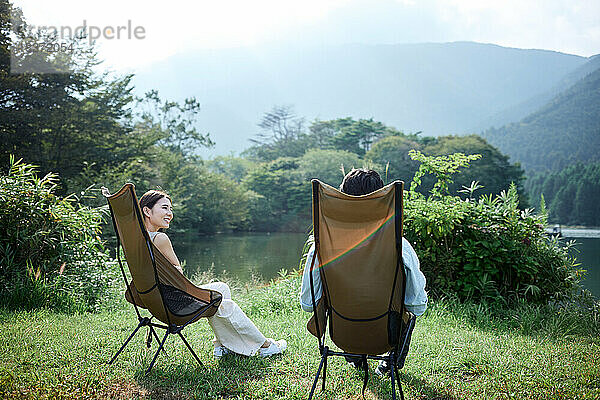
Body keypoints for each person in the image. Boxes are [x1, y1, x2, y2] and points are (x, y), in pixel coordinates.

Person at [299, 168, 427, 374]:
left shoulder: (321, 247)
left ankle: (355, 357)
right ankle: (390, 362)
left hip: (343, 336)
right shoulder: (399, 247)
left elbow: (308, 304)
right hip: (385, 336)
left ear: (342, 201)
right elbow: (417, 305)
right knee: (409, 309)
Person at [139, 189, 287, 358]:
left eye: (171, 209)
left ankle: (221, 345)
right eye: (165, 208)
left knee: (221, 288)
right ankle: (265, 345)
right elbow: (177, 274)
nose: (170, 214)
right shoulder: (160, 239)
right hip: (174, 304)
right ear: (147, 211)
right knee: (224, 302)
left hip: (154, 300)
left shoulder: (138, 239)